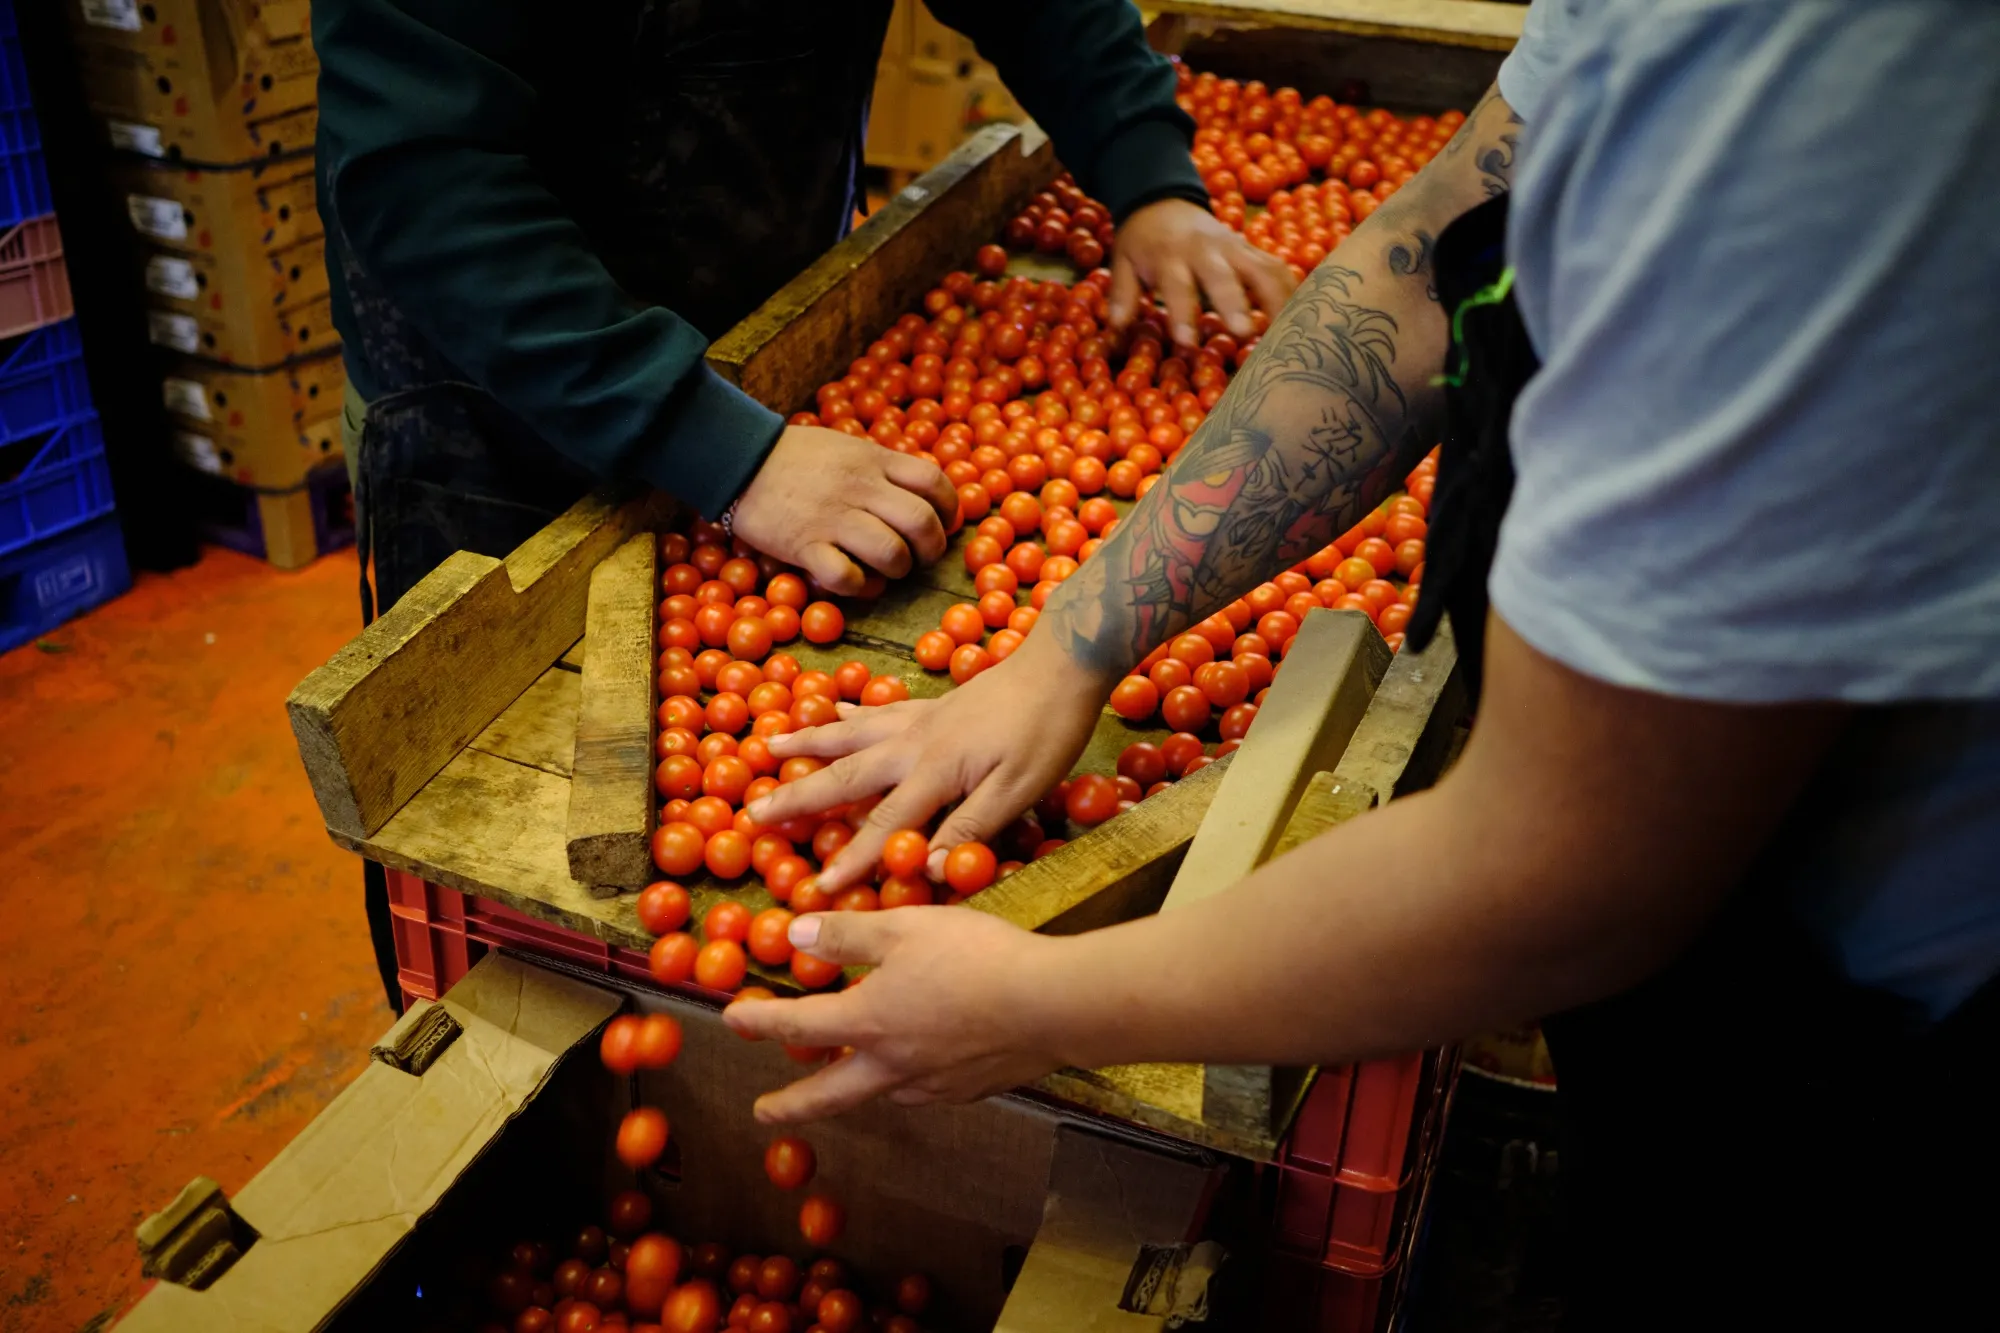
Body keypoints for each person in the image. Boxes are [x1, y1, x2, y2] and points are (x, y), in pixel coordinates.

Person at [728, 1, 2000, 1323]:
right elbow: (1416, 271)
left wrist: (1041, 1001)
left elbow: (1566, 870)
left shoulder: (1830, 107)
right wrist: (1072, 645)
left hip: (1874, 1061)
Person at [312, 0, 1294, 1011]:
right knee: (508, 902)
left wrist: (1145, 175)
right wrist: (723, 451)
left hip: (769, 351)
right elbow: (424, 179)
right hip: (494, 400)